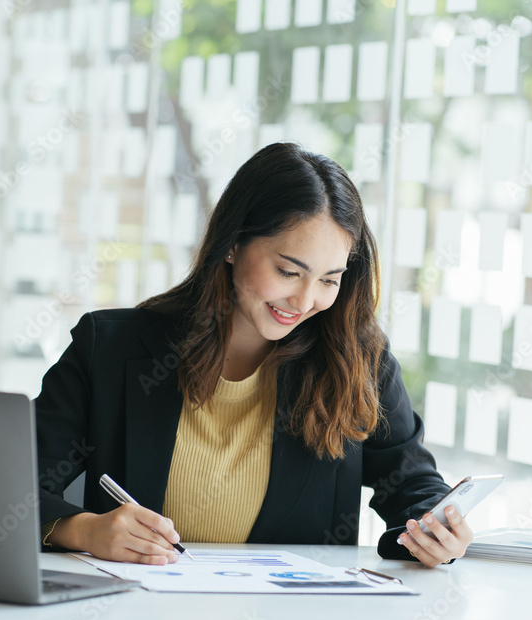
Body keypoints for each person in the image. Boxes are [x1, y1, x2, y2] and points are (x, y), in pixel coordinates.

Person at [35, 142, 472, 568]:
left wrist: (438, 530)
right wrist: (83, 530)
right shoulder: (109, 349)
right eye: (288, 271)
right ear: (232, 243)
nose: (304, 300)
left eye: (328, 280)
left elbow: (412, 484)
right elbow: (9, 488)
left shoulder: (356, 359)